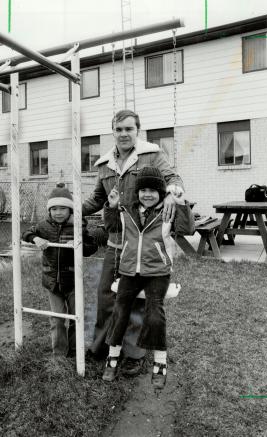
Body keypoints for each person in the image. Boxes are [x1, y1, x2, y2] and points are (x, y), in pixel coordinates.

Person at [82, 109, 184, 375]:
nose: (124, 134)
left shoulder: (152, 155)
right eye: (119, 129)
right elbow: (96, 198)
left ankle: (134, 354)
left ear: (137, 131)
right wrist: (72, 209)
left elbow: (173, 179)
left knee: (137, 300)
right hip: (116, 242)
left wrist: (172, 194)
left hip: (143, 245)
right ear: (113, 132)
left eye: (129, 129)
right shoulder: (104, 164)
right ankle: (102, 346)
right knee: (106, 297)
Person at [102, 166, 195, 388]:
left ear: (161, 192)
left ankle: (160, 363)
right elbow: (111, 227)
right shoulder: (127, 211)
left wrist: (181, 203)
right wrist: (111, 207)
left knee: (155, 314)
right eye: (143, 190)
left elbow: (188, 229)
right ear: (137, 192)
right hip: (128, 270)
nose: (147, 194)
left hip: (158, 272)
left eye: (153, 190)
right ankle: (112, 358)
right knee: (120, 311)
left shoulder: (168, 211)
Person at [22, 183, 97, 357]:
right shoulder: (43, 226)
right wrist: (35, 239)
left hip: (73, 280)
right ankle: (59, 354)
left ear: (70, 210)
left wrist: (78, 246)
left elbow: (91, 246)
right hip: (51, 281)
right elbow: (26, 233)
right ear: (49, 211)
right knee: (57, 318)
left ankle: (75, 350)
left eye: (63, 208)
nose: (58, 212)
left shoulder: (78, 226)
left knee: (76, 316)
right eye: (54, 209)